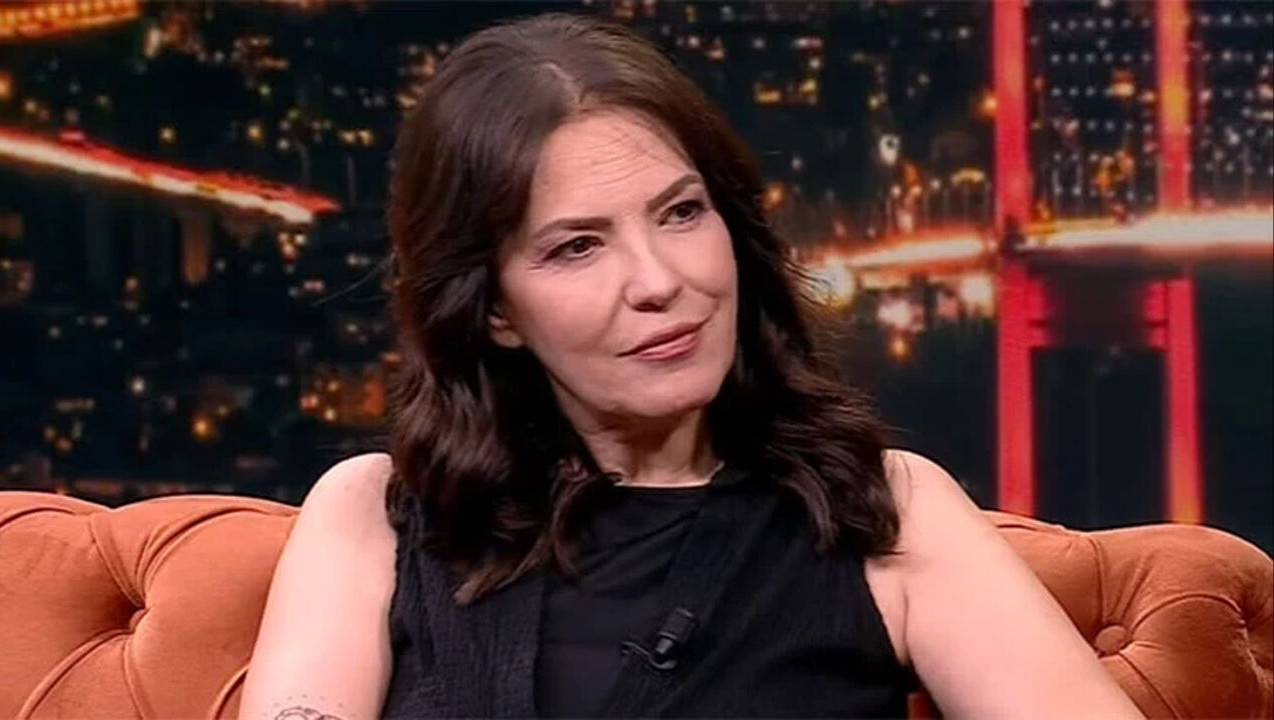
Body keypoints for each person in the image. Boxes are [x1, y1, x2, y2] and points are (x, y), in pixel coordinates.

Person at [239, 12, 1145, 720]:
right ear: (497, 310)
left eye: (681, 213)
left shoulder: (884, 510)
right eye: (577, 247)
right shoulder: (373, 517)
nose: (660, 282)